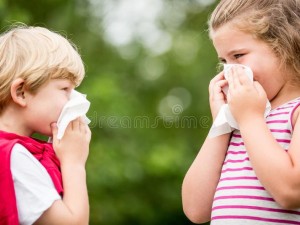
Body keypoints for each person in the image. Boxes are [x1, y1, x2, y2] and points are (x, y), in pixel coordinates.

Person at [182, 0, 300, 224]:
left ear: (283, 45)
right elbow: (196, 210)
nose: (230, 71)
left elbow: (291, 192)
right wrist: (222, 122)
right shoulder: (242, 121)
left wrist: (249, 118)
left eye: (238, 56)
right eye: (223, 61)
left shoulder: (285, 114)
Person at [0, 24, 91, 225]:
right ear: (22, 92)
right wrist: (73, 163)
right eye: (65, 89)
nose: (73, 100)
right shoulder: (13, 157)